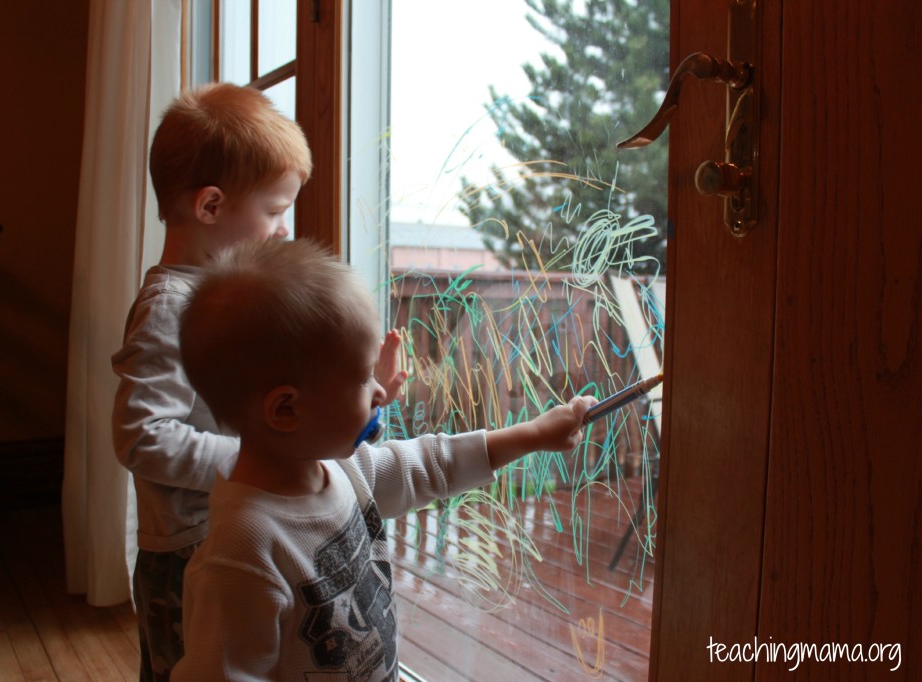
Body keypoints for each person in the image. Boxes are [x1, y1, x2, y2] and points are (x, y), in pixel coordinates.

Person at [171, 238, 597, 681]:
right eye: (362, 379)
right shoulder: (242, 554)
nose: (380, 392)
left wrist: (532, 435)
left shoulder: (340, 467)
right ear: (286, 410)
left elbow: (432, 465)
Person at [110, 83, 406, 682]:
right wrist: (251, 458)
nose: (282, 228)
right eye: (273, 211)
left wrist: (349, 393)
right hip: (192, 544)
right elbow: (142, 436)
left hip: (238, 521)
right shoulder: (172, 306)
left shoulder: (233, 300)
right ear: (212, 206)